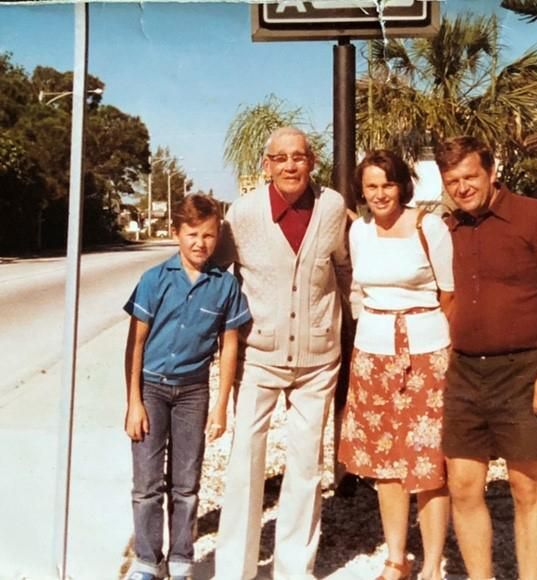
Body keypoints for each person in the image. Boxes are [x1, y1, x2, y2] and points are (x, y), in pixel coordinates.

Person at [434, 136, 537, 580]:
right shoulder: (447, 229)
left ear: (492, 171)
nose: (462, 188)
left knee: (526, 485)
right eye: (452, 181)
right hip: (464, 372)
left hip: (526, 370)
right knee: (463, 486)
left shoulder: (536, 217)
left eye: (470, 177)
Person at [214, 127, 351, 579]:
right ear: (266, 164)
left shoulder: (332, 207)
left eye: (299, 157)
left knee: (306, 466)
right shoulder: (244, 213)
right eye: (281, 158)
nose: (290, 166)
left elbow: (344, 268)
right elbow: (216, 272)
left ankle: (294, 568)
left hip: (318, 358)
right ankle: (235, 569)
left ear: (312, 162)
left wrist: (354, 325)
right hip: (258, 355)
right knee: (245, 464)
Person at [339, 150, 454, 580]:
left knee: (427, 460)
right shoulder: (360, 231)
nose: (380, 194)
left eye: (387, 184)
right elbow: (358, 291)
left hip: (426, 354)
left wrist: (431, 340)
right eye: (371, 186)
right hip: (373, 354)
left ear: (402, 186)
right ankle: (396, 558)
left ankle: (432, 565)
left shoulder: (429, 226)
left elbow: (450, 293)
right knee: (385, 461)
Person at [123, 194, 251, 580]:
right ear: (176, 232)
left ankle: (181, 559)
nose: (200, 243)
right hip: (151, 389)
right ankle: (147, 560)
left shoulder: (225, 286)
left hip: (194, 393)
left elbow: (229, 347)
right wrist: (134, 402)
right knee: (147, 483)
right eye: (192, 234)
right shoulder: (154, 280)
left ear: (218, 237)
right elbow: (135, 344)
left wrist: (221, 405)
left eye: (208, 235)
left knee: (186, 483)